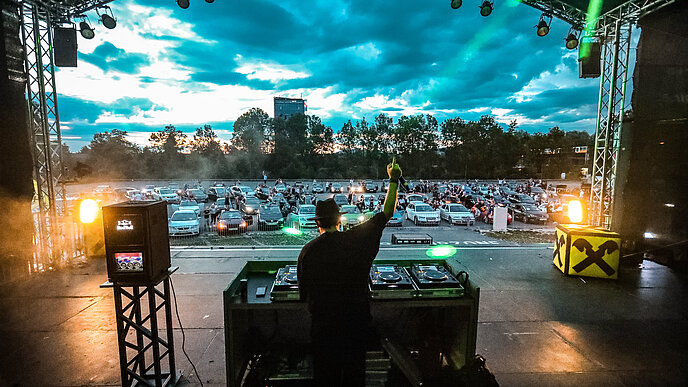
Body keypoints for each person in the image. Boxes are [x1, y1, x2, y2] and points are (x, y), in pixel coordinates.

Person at [298, 158, 402, 386]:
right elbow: (386, 213)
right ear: (340, 219)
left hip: (324, 331)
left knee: (326, 377)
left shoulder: (308, 252)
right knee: (355, 377)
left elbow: (303, 295)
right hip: (356, 326)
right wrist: (393, 180)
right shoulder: (357, 241)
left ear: (318, 224)